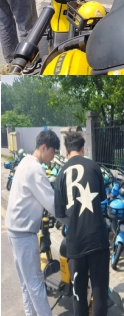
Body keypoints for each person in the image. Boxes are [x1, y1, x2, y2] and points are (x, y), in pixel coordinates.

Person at [54, 131, 110, 316]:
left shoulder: (61, 174)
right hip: (98, 240)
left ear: (66, 151)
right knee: (100, 295)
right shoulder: (94, 167)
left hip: (75, 244)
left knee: (78, 296)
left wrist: (74, 222)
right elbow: (101, 200)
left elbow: (60, 214)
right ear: (83, 149)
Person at [5, 130, 60, 316]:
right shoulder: (36, 169)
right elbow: (53, 204)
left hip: (14, 231)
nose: (52, 158)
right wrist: (73, 220)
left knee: (26, 284)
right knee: (36, 285)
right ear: (44, 148)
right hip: (24, 234)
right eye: (52, 152)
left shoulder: (25, 161)